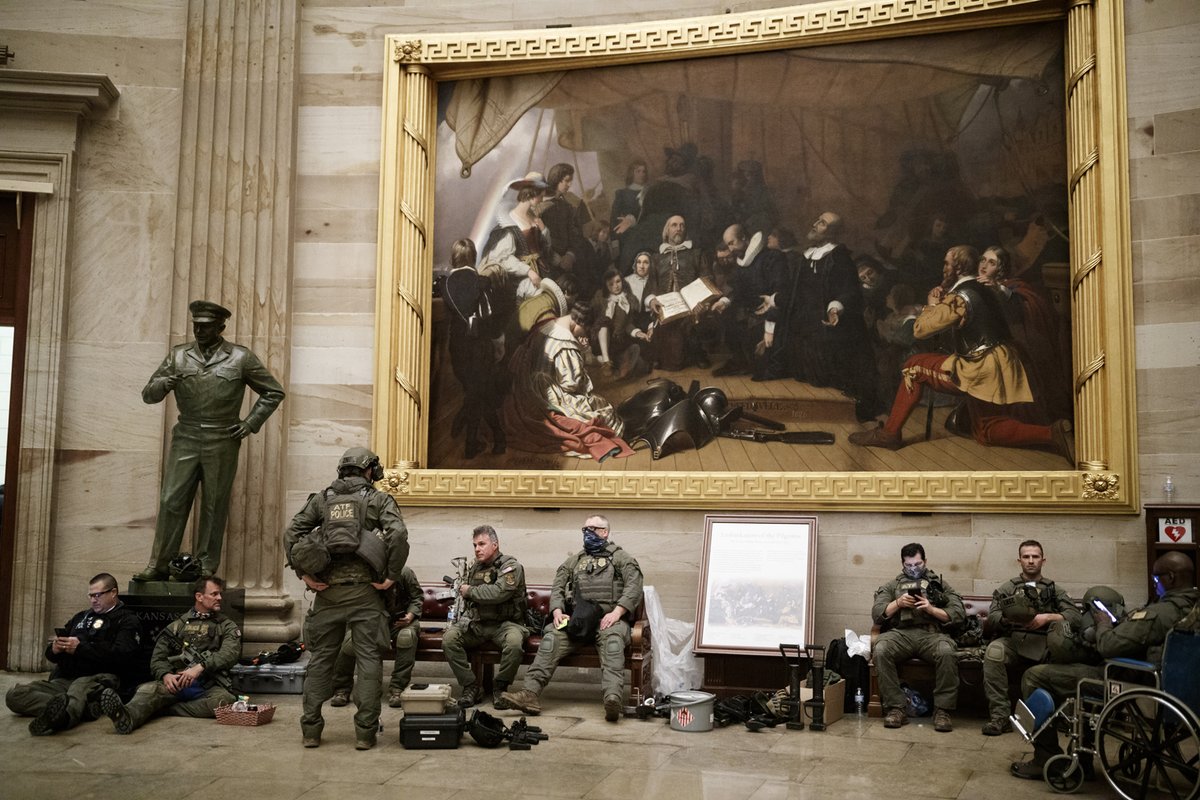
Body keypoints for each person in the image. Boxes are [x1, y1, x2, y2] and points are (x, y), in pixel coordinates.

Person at [849, 245, 1075, 463]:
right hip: (1003, 360)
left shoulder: (961, 297)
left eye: (947, 264)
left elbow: (920, 330)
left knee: (913, 367)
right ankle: (1052, 433)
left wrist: (931, 305)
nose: (944, 268)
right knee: (988, 431)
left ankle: (889, 434)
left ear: (957, 268)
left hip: (980, 364)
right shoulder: (983, 288)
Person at [1011, 551, 1199, 780]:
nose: (1155, 583)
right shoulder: (1192, 609)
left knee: (1035, 675)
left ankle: (1045, 757)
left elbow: (1109, 646)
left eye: (1157, 579)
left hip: (1131, 683)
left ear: (1171, 578)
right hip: (1178, 688)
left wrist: (1103, 624)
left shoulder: (1161, 613)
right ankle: (1081, 760)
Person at [136, 300, 285, 580]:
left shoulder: (240, 357)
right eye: (196, 326)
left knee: (214, 503)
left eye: (206, 326)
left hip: (222, 437)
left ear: (221, 327)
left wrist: (250, 423)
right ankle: (158, 563)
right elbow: (148, 394)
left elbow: (273, 391)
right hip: (187, 436)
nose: (199, 331)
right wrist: (163, 384)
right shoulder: (178, 356)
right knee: (171, 500)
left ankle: (205, 564)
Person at [283, 446, 411, 750]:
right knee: (368, 660)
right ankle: (365, 734)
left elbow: (291, 534)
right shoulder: (377, 499)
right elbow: (398, 534)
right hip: (366, 594)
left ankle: (311, 730)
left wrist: (305, 575)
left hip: (327, 595)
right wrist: (391, 575)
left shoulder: (322, 499)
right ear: (369, 470)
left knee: (321, 660)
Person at [502, 514, 644, 722]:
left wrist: (617, 612)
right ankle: (529, 694)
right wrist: (558, 611)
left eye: (592, 529)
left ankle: (612, 699)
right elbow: (558, 586)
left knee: (613, 643)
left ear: (604, 532)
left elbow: (634, 586)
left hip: (609, 619)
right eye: (584, 530)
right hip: (578, 620)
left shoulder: (622, 558)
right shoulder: (575, 560)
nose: (587, 534)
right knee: (551, 637)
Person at [6, 573, 144, 736]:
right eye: (90, 595)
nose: (93, 600)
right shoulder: (81, 617)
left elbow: (122, 655)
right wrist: (55, 649)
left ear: (113, 593)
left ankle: (64, 717)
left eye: (98, 595)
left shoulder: (127, 620)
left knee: (79, 688)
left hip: (98, 678)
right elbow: (52, 653)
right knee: (15, 695)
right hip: (67, 678)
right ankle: (83, 710)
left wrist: (81, 648)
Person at [98, 576, 240, 734]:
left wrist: (200, 667)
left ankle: (163, 709)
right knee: (149, 690)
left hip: (209, 686)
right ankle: (127, 717)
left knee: (224, 703)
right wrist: (166, 675)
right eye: (214, 594)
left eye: (220, 594)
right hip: (177, 683)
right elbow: (158, 658)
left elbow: (230, 653)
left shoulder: (227, 625)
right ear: (199, 597)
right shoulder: (177, 626)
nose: (220, 598)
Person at [981, 540, 1081, 736]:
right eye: (1026, 557)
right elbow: (992, 617)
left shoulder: (1054, 589)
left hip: (1045, 643)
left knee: (1065, 655)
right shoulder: (1007, 588)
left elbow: (1075, 616)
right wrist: (1009, 619)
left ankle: (1060, 716)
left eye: (1035, 557)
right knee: (993, 652)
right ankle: (1000, 717)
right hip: (1015, 640)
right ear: (1019, 560)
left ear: (1043, 560)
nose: (1031, 561)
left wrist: (1047, 617)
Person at [788, 212, 878, 420]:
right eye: (817, 220)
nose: (815, 224)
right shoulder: (806, 255)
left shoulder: (839, 257)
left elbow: (849, 290)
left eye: (822, 223)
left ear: (832, 232)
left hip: (827, 321)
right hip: (804, 323)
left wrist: (835, 308)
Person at [871, 542, 965, 732]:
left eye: (918, 564)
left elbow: (958, 613)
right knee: (880, 649)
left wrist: (931, 608)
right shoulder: (892, 585)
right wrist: (898, 603)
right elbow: (877, 613)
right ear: (902, 564)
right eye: (909, 566)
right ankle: (897, 708)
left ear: (925, 561)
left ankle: (942, 710)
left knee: (947, 651)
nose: (914, 569)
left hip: (931, 634)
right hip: (901, 634)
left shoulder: (939, 584)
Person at [442, 525, 529, 709]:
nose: (477, 549)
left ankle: (500, 687)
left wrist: (470, 591)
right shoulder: (474, 567)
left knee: (514, 642)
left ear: (495, 545)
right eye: (475, 545)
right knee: (449, 639)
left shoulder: (510, 566)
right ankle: (471, 686)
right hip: (478, 623)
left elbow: (499, 593)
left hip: (505, 624)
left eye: (482, 544)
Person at [442, 238, 505, 459]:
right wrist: (498, 343)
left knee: (475, 392)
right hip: (479, 347)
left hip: (458, 348)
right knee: (480, 393)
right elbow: (490, 319)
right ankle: (495, 439)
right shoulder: (482, 283)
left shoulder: (446, 285)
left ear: (454, 257)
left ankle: (474, 441)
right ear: (474, 256)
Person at [328, 566, 423, 709]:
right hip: (370, 621)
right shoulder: (363, 572)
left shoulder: (404, 572)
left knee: (406, 638)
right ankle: (342, 689)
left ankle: (397, 688)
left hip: (399, 622)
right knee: (348, 643)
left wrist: (410, 616)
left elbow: (417, 598)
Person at [710, 223, 790, 381]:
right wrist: (724, 302)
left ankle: (752, 361)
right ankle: (739, 361)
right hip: (749, 315)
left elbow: (780, 294)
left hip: (770, 317)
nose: (730, 249)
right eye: (727, 245)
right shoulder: (741, 262)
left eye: (732, 243)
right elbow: (737, 290)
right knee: (724, 313)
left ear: (744, 238)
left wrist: (770, 327)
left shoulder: (772, 258)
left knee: (761, 368)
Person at [645, 215, 714, 370]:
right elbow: (651, 284)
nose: (678, 229)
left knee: (693, 329)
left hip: (692, 307)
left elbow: (706, 278)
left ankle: (698, 353)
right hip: (667, 308)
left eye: (682, 225)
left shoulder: (696, 253)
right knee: (672, 363)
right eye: (674, 225)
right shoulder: (656, 257)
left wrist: (702, 302)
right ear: (667, 230)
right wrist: (652, 301)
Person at [591, 267, 650, 379]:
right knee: (604, 326)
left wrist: (637, 333)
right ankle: (606, 361)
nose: (616, 286)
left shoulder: (628, 299)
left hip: (618, 340)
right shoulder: (601, 298)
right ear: (606, 286)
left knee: (636, 352)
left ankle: (618, 365)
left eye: (618, 281)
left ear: (622, 281)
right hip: (601, 339)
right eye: (611, 284)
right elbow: (594, 319)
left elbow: (628, 324)